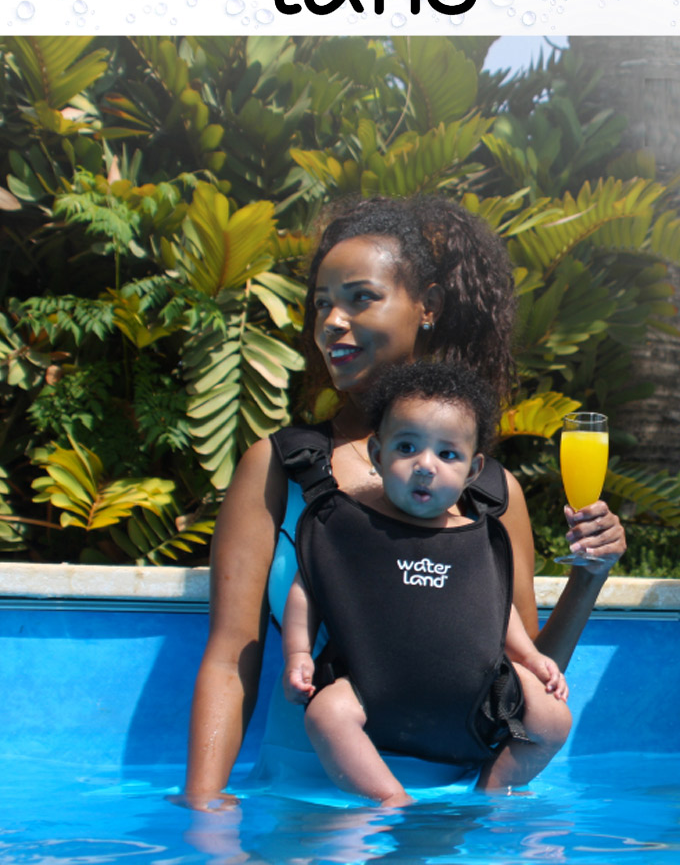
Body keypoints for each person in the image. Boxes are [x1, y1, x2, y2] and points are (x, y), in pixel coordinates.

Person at [183, 195, 625, 810]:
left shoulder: (492, 492)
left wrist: (588, 577)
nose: (332, 321)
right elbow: (233, 661)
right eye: (321, 304)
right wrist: (202, 811)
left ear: (428, 307)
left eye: (360, 297)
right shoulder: (278, 467)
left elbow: (523, 676)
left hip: (460, 814)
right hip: (305, 808)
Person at [282, 361, 571, 807]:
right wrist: (298, 654)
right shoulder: (350, 524)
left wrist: (530, 657)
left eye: (447, 455)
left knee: (554, 722)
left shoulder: (478, 532)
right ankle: (391, 800)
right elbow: (308, 586)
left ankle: (493, 796)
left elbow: (496, 608)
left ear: (474, 470)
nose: (425, 466)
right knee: (326, 714)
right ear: (377, 454)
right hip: (370, 687)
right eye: (407, 447)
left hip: (473, 697)